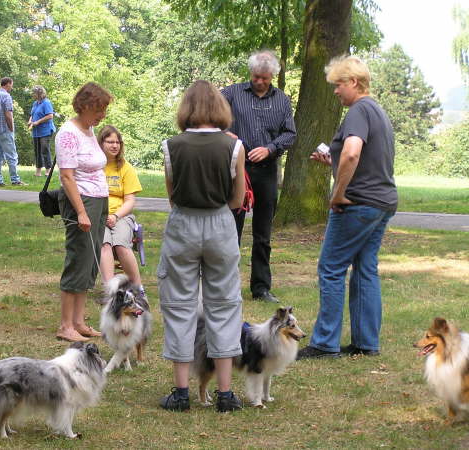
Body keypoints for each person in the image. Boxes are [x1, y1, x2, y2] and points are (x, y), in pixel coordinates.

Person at [297, 55, 397, 360]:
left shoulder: (358, 110)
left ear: (353, 82)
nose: (336, 92)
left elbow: (352, 154)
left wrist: (337, 194)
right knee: (365, 268)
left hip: (357, 204)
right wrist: (333, 162)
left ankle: (325, 343)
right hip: (383, 201)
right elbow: (360, 158)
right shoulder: (377, 111)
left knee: (331, 268)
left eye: (338, 85)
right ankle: (366, 343)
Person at [157, 80, 245, 413]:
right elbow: (237, 199)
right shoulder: (234, 147)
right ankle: (225, 394)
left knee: (179, 305)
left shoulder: (171, 146)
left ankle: (180, 393)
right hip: (220, 224)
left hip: (183, 223)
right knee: (223, 305)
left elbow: (171, 195)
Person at [221, 50, 296, 304]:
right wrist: (225, 133)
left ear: (272, 75)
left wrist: (270, 148)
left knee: (263, 233)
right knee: (232, 229)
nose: (260, 82)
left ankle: (261, 287)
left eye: (265, 78)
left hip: (267, 171)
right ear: (250, 73)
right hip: (236, 170)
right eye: (256, 77)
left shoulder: (282, 101)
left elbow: (290, 134)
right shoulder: (232, 94)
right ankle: (227, 285)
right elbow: (208, 115)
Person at [55, 82, 112, 342]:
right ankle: (65, 326)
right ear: (86, 105)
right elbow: (67, 177)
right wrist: (81, 212)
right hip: (82, 202)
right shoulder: (68, 133)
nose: (103, 115)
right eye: (100, 109)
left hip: (98, 200)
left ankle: (78, 322)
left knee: (90, 263)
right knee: (78, 260)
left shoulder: (89, 130)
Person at [97, 125, 144, 292]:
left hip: (122, 216)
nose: (115, 145)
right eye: (110, 141)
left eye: (117, 142)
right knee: (105, 244)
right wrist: (102, 216)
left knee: (121, 244)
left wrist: (115, 216)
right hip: (98, 216)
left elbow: (130, 201)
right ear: (101, 143)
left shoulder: (126, 167)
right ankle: (110, 290)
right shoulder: (95, 166)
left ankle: (138, 287)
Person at [0, 77, 27, 187]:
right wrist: (11, 128)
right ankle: (15, 180)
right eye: (11, 85)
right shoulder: (6, 96)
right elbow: (8, 115)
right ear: (8, 84)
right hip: (5, 130)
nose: (12, 87)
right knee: (12, 156)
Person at [27, 85, 55, 177]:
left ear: (39, 93)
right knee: (37, 151)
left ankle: (48, 170)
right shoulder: (35, 103)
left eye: (34, 93)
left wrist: (38, 122)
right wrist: (30, 121)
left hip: (46, 130)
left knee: (44, 149)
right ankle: (38, 171)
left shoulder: (46, 103)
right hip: (36, 131)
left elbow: (50, 116)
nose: (32, 95)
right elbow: (32, 114)